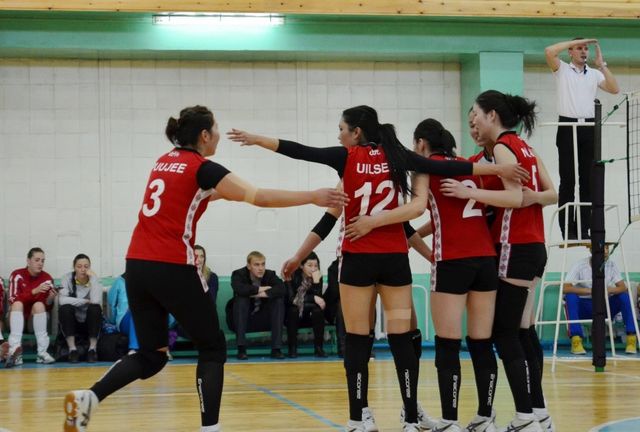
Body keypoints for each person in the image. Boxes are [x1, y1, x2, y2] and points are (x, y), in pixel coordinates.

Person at [228, 105, 527, 432]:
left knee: (358, 339)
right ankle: (410, 418)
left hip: (358, 260)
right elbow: (444, 166)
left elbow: (299, 151)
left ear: (356, 132)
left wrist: (256, 139)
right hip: (394, 261)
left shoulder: (346, 158)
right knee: (402, 338)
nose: (338, 135)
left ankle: (359, 418)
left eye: (341, 129)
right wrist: (498, 170)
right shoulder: (397, 157)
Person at [63, 105, 348, 432]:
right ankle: (210, 428)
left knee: (152, 356)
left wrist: (223, 195)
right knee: (213, 348)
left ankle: (89, 397)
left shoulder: (164, 161)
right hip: (171, 264)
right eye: (216, 130)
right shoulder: (204, 168)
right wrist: (313, 196)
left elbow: (188, 198)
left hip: (137, 266)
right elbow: (260, 197)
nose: (218, 136)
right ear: (204, 135)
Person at [443, 90, 558, 432]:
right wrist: (531, 198)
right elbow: (551, 193)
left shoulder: (503, 148)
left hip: (514, 245)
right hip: (534, 246)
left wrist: (470, 192)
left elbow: (514, 197)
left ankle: (525, 417)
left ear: (491, 115)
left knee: (504, 334)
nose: (474, 125)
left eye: (475, 118)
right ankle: (539, 412)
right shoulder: (525, 147)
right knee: (522, 331)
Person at [403, 118, 504, 432]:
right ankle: (485, 417)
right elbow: (453, 213)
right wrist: (417, 237)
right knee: (482, 342)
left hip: (452, 260)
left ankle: (449, 421)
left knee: (447, 344)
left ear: (421, 143)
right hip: (485, 260)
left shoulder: (425, 168)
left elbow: (417, 208)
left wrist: (406, 236)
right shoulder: (467, 166)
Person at [544, 38, 619, 239]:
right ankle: (567, 229)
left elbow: (614, 89)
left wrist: (602, 65)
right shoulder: (562, 69)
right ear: (570, 51)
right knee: (567, 179)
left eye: (586, 48)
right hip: (567, 126)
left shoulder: (594, 74)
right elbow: (549, 51)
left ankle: (584, 229)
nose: (584, 51)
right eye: (579, 48)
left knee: (588, 180)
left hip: (588, 127)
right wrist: (580, 39)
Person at [563, 244, 637, 355]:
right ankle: (576, 341)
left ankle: (631, 339)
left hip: (604, 306)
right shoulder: (580, 265)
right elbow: (565, 288)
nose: (606, 251)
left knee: (624, 296)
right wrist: (591, 291)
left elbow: (622, 287)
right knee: (570, 296)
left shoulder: (611, 265)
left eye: (607, 248)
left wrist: (609, 289)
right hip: (585, 307)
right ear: (591, 250)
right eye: (603, 248)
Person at [1, 247, 57, 367]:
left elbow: (47, 308)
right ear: (28, 261)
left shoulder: (47, 278)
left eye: (42, 261)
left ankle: (42, 353)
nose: (40, 263)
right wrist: (34, 291)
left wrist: (50, 299)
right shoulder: (17, 275)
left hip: (32, 322)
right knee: (17, 304)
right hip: (15, 317)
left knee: (39, 305)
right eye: (37, 260)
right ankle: (15, 352)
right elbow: (12, 300)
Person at [229, 251, 286, 360]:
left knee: (278, 301)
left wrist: (260, 294)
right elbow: (239, 289)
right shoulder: (238, 274)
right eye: (256, 265)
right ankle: (241, 349)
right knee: (241, 300)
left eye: (263, 264)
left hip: (263, 319)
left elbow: (282, 288)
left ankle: (276, 349)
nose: (261, 268)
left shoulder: (270, 275)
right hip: (243, 320)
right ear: (249, 266)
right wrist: (261, 289)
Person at [58, 254, 103, 363]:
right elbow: (62, 300)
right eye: (79, 266)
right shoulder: (66, 278)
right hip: (73, 321)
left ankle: (92, 349)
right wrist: (84, 301)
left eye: (86, 266)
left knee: (95, 308)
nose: (83, 269)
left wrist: (94, 279)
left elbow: (95, 301)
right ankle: (72, 350)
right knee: (65, 308)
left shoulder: (94, 280)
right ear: (74, 267)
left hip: (89, 321)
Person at [285, 251, 327, 358]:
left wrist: (316, 282)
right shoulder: (291, 276)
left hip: (310, 315)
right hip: (294, 316)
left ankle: (318, 348)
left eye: (316, 266)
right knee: (293, 310)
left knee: (318, 310)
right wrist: (312, 298)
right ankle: (292, 348)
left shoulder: (317, 276)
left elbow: (319, 302)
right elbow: (291, 299)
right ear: (301, 266)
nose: (313, 269)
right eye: (309, 265)